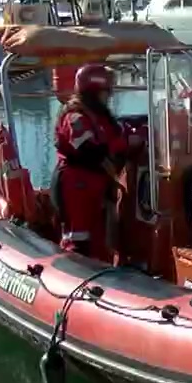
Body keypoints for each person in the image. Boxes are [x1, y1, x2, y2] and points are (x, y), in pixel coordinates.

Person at [53, 64, 127, 261]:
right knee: (78, 239)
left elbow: (118, 142)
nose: (109, 96)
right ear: (95, 91)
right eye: (106, 92)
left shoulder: (102, 117)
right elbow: (88, 149)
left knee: (99, 241)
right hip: (76, 185)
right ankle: (72, 275)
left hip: (96, 185)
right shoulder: (75, 116)